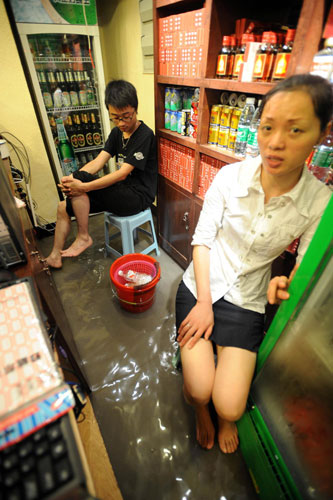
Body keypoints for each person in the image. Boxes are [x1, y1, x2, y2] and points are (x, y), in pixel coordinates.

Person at [175, 74, 332, 454]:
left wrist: (285, 286)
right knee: (199, 390)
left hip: (247, 298)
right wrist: (203, 302)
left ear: (322, 133)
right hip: (202, 286)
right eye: (267, 127)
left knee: (230, 404)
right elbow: (202, 240)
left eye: (296, 130)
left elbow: (301, 270)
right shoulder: (230, 177)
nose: (276, 142)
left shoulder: (320, 202)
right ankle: (200, 409)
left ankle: (222, 412)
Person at [46, 80, 157, 268]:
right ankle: (55, 256)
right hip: (121, 190)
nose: (121, 122)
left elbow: (122, 174)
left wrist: (83, 186)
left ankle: (83, 236)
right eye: (115, 117)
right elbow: (98, 162)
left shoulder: (145, 134)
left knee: (80, 185)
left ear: (135, 109)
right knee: (63, 206)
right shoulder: (116, 133)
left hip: (138, 196)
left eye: (126, 116)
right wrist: (72, 179)